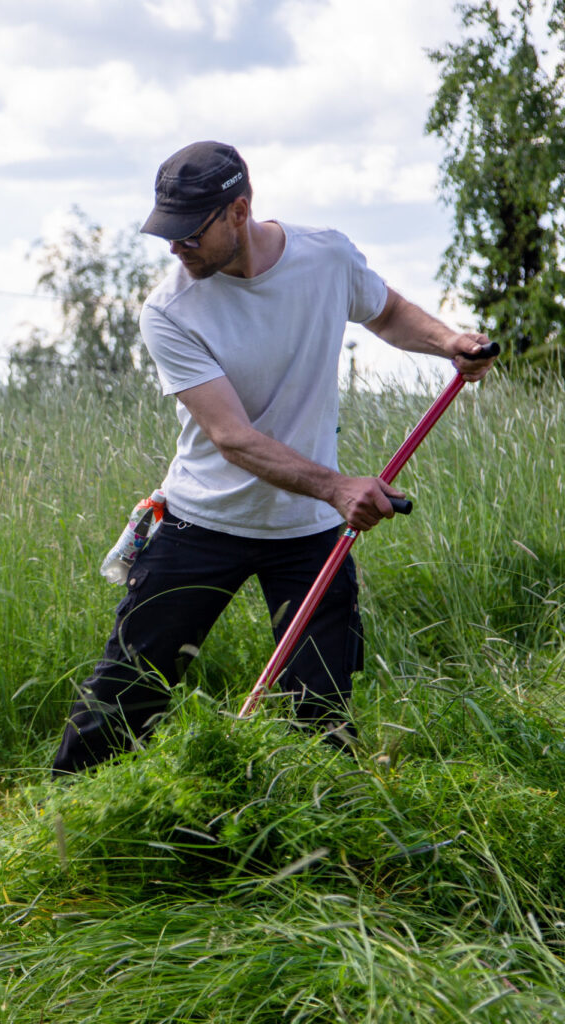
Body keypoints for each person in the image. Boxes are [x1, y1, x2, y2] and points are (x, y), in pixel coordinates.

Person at [51, 140, 497, 776]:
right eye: (167, 233)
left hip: (305, 533)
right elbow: (231, 437)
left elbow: (388, 311)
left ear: (239, 211)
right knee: (125, 697)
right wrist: (338, 488)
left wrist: (448, 341)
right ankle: (65, 816)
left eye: (190, 233)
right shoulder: (170, 310)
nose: (176, 248)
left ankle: (317, 828)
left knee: (321, 718)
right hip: (203, 521)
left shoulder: (326, 257)